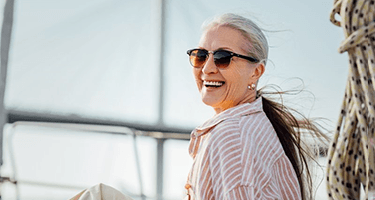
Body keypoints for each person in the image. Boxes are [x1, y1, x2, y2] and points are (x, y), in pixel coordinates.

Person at [185, 13, 326, 200]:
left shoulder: (232, 136)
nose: (206, 68)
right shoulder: (254, 128)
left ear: (256, 72)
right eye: (200, 56)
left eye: (223, 57)